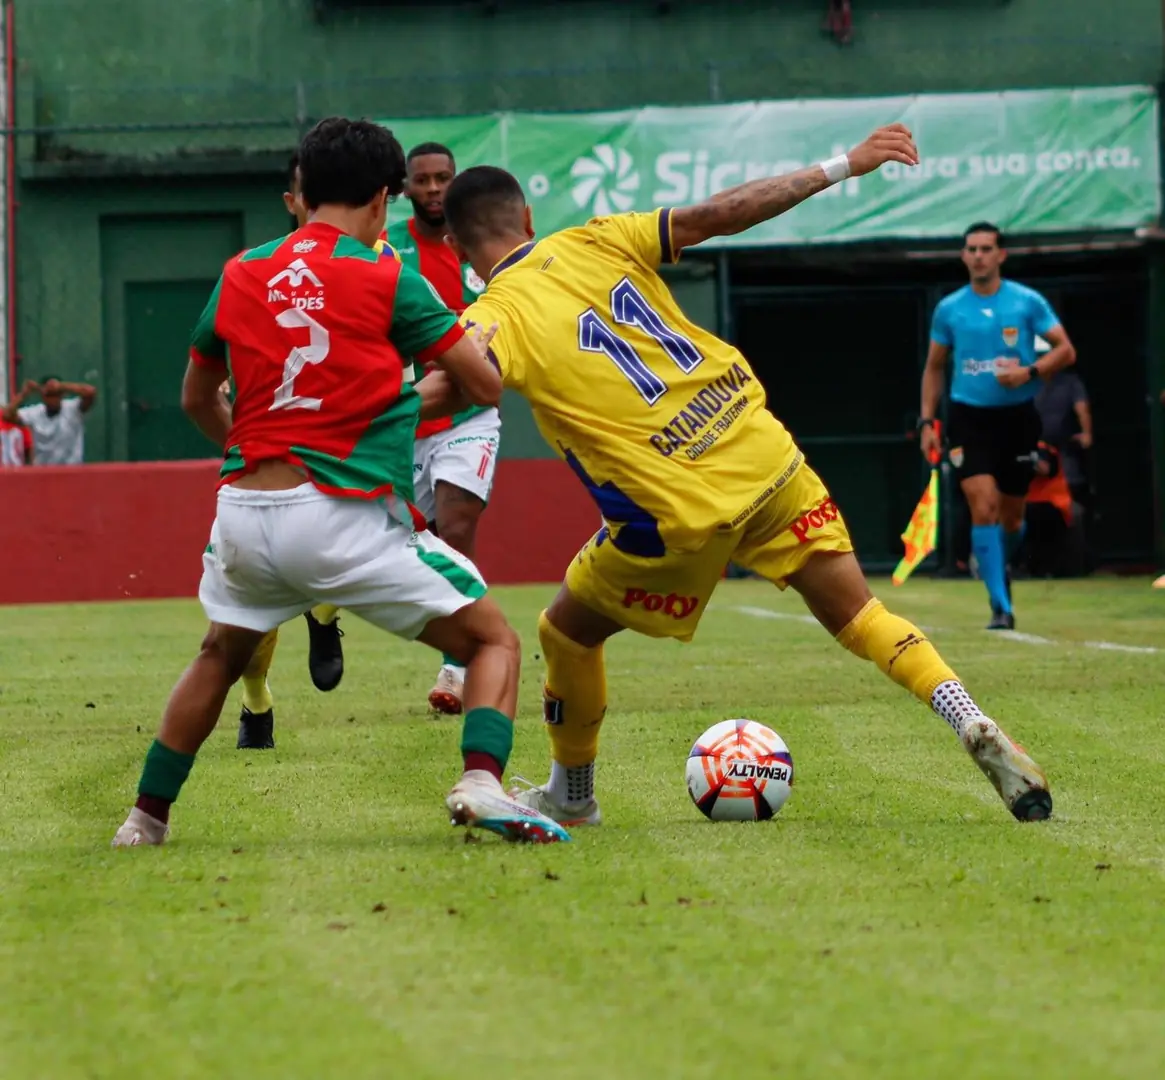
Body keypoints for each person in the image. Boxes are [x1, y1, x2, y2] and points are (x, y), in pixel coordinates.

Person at [438, 124, 1054, 826]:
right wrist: (842, 164)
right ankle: (966, 714)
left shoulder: (493, 312)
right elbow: (721, 212)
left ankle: (572, 797)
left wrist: (375, 398)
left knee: (565, 633)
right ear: (527, 219)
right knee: (861, 616)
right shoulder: (596, 237)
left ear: (456, 247)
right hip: (762, 453)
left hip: (673, 510)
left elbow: (460, 379)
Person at [111, 116, 567, 848]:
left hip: (243, 514)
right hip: (338, 517)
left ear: (302, 192)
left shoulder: (241, 271)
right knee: (492, 643)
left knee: (217, 657)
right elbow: (483, 386)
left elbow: (198, 398)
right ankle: (481, 781)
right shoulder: (389, 275)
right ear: (384, 198)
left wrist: (260, 451)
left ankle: (143, 821)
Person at [384, 142, 498, 716]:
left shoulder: (481, 245)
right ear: (405, 187)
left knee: (457, 523)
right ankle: (324, 613)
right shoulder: (388, 249)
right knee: (393, 538)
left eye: (443, 178)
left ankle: (457, 665)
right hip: (405, 418)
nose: (433, 188)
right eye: (422, 180)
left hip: (468, 416)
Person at [920, 224, 1076, 629]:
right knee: (982, 504)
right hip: (969, 418)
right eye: (971, 249)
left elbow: (1066, 350)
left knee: (1011, 517)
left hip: (1018, 418)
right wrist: (926, 420)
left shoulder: (1026, 302)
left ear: (1001, 255)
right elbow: (935, 367)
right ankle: (1001, 607)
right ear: (963, 255)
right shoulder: (950, 309)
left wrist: (1030, 372)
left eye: (986, 249)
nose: (978, 256)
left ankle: (995, 561)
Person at [1, 375, 97, 464]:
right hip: (44, 471)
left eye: (56, 395)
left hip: (71, 470)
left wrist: (62, 386)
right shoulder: (35, 413)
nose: (53, 400)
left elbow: (90, 392)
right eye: (49, 395)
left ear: (62, 395)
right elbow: (7, 415)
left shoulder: (73, 409)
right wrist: (24, 393)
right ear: (43, 397)